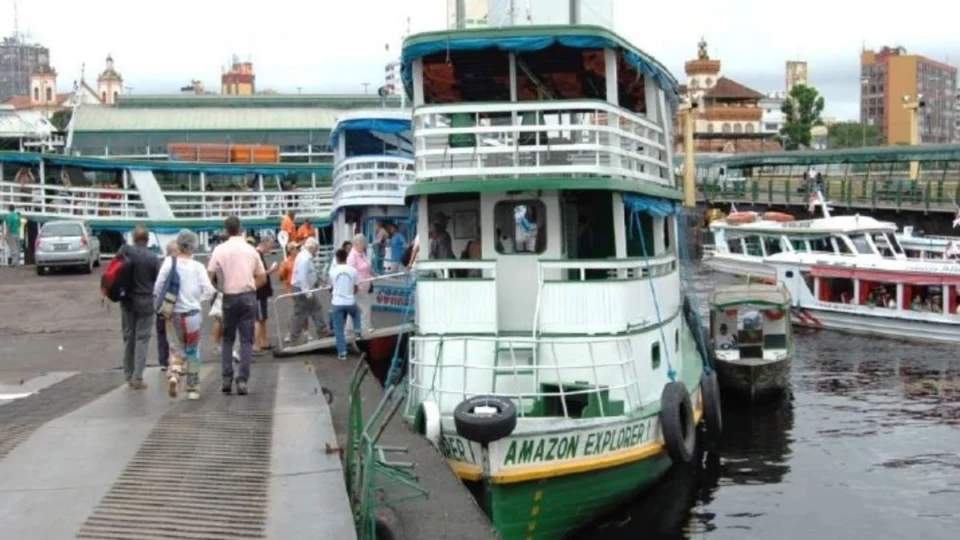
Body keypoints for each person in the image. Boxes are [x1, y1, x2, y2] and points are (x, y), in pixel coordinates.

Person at [207, 216, 271, 396]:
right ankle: (242, 379)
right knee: (246, 340)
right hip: (248, 296)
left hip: (228, 296)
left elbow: (209, 276)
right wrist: (250, 285)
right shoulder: (251, 250)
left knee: (228, 339)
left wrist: (216, 293)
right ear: (241, 229)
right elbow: (262, 278)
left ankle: (226, 379)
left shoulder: (219, 250)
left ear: (226, 230)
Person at [154, 230, 216, 400]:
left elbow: (158, 286)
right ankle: (192, 388)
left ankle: (174, 374)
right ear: (194, 246)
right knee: (193, 350)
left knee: (175, 348)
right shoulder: (198, 267)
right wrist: (198, 300)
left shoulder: (169, 262)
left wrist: (165, 302)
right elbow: (209, 291)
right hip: (193, 314)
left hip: (173, 314)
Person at [120, 225, 160, 389]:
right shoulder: (152, 257)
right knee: (142, 339)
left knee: (129, 337)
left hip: (127, 301)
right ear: (147, 239)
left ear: (134, 238)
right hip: (145, 301)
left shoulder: (125, 251)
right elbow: (158, 280)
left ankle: (128, 374)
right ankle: (138, 377)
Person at [289, 237, 331, 343]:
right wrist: (307, 292)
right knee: (301, 313)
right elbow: (302, 277)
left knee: (314, 308)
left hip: (303, 288)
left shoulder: (304, 256)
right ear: (312, 248)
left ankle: (322, 330)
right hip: (302, 289)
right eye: (317, 248)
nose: (317, 251)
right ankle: (294, 338)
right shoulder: (305, 259)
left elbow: (308, 275)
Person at [329, 248, 362, 360]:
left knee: (339, 329)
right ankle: (357, 332)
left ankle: (342, 353)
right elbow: (356, 288)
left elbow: (331, 287)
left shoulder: (332, 271)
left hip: (337, 302)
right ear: (346, 258)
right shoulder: (353, 271)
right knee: (356, 313)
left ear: (337, 259)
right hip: (349, 301)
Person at [156, 240, 178, 372]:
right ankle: (177, 360)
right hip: (178, 302)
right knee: (175, 332)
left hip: (165, 302)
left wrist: (157, 298)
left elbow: (159, 284)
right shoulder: (183, 263)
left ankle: (163, 360)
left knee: (162, 331)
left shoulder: (165, 263)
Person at [253, 237, 278, 353]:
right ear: (265, 244)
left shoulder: (258, 255)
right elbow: (259, 274)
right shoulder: (257, 255)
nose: (270, 249)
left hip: (262, 291)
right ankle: (257, 344)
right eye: (270, 246)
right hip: (259, 292)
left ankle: (263, 341)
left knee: (263, 318)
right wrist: (271, 270)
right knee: (259, 318)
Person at [347, 233, 374, 333]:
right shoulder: (352, 256)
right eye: (363, 244)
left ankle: (349, 328)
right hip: (359, 286)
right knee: (365, 306)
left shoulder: (362, 253)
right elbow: (350, 272)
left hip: (365, 284)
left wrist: (373, 273)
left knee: (354, 306)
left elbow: (367, 266)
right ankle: (366, 327)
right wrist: (355, 285)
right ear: (357, 243)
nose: (364, 246)